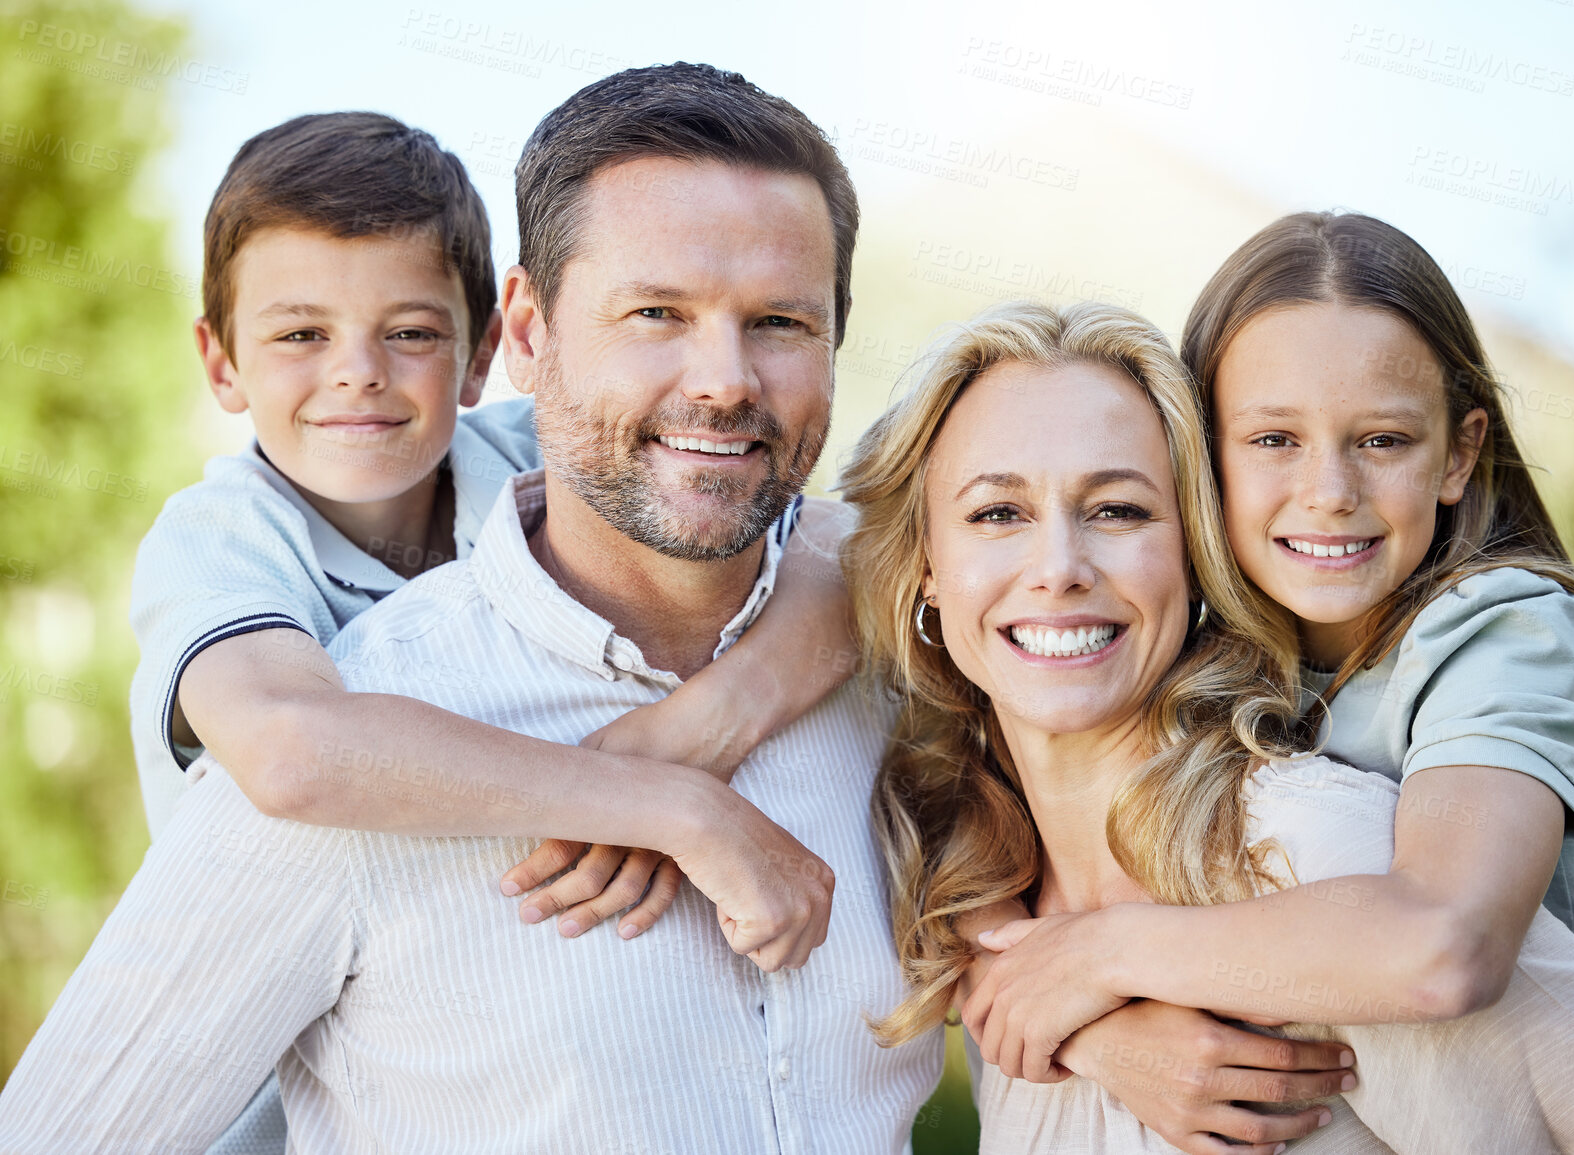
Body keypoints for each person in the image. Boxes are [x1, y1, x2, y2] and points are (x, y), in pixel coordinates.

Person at [0, 63, 941, 1153]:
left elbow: (843, 542)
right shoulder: (304, 656)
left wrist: (688, 737)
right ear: (534, 334)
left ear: (483, 354)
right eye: (654, 313)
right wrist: (673, 806)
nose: (723, 379)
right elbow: (293, 753)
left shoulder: (894, 657)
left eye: (778, 319)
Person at [840, 299, 1574, 1153]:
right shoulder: (972, 876)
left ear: (1196, 550)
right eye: (997, 513)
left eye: (1118, 509)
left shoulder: (1302, 847)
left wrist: (1104, 961)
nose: (1059, 567)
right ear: (924, 565)